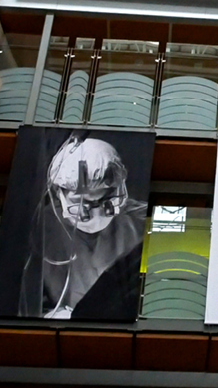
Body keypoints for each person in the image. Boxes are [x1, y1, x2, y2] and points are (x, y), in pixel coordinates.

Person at [18, 134, 148, 320]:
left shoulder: (140, 223)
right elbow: (26, 304)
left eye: (107, 202)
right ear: (58, 193)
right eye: (82, 206)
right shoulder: (39, 230)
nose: (96, 214)